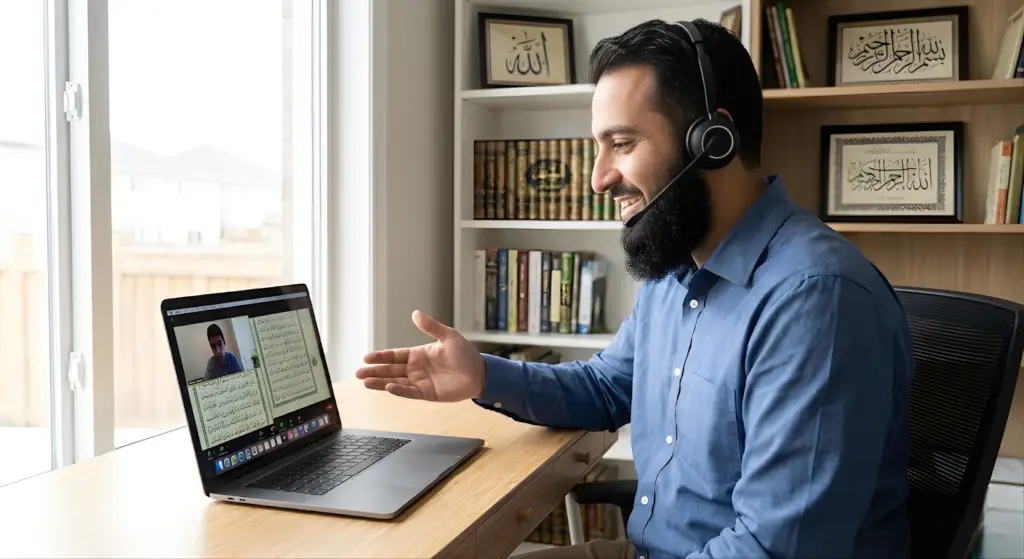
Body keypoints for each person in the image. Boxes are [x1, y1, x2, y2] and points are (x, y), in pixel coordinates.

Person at [356, 18, 914, 559]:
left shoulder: (815, 300)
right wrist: (482, 374)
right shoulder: (680, 268)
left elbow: (776, 548)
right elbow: (605, 388)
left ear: (712, 140)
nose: (598, 179)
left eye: (621, 143)